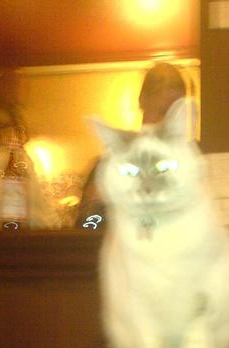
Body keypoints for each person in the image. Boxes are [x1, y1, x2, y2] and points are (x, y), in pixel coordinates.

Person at [75, 62, 187, 227]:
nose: (167, 124)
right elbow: (85, 228)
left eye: (176, 116)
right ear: (142, 100)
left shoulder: (188, 166)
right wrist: (97, 207)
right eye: (162, 112)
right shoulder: (109, 164)